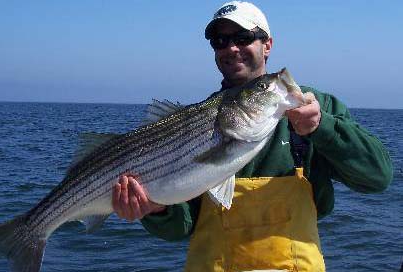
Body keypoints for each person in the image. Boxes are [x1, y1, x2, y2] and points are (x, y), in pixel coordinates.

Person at [112, 1, 393, 271]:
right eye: (220, 41)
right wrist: (155, 210)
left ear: (267, 44)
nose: (232, 47)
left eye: (243, 37)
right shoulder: (195, 122)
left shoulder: (316, 108)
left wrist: (322, 128)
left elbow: (377, 178)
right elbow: (180, 228)